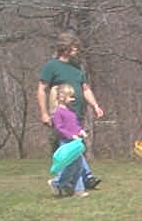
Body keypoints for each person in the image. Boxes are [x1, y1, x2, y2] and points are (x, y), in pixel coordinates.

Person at [37, 31, 103, 190]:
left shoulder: (77, 66)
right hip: (61, 116)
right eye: (73, 46)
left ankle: (80, 179)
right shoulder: (52, 66)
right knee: (70, 147)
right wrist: (44, 113)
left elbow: (85, 88)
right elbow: (41, 89)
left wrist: (95, 106)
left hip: (76, 114)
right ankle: (69, 181)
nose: (76, 49)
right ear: (64, 47)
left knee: (75, 146)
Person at [48, 84, 88, 197]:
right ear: (62, 97)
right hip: (66, 143)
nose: (73, 99)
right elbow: (59, 128)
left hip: (75, 143)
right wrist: (71, 136)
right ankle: (58, 183)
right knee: (70, 166)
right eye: (70, 97)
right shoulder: (58, 112)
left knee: (79, 166)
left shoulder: (70, 111)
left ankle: (77, 189)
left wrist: (80, 131)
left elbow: (75, 125)